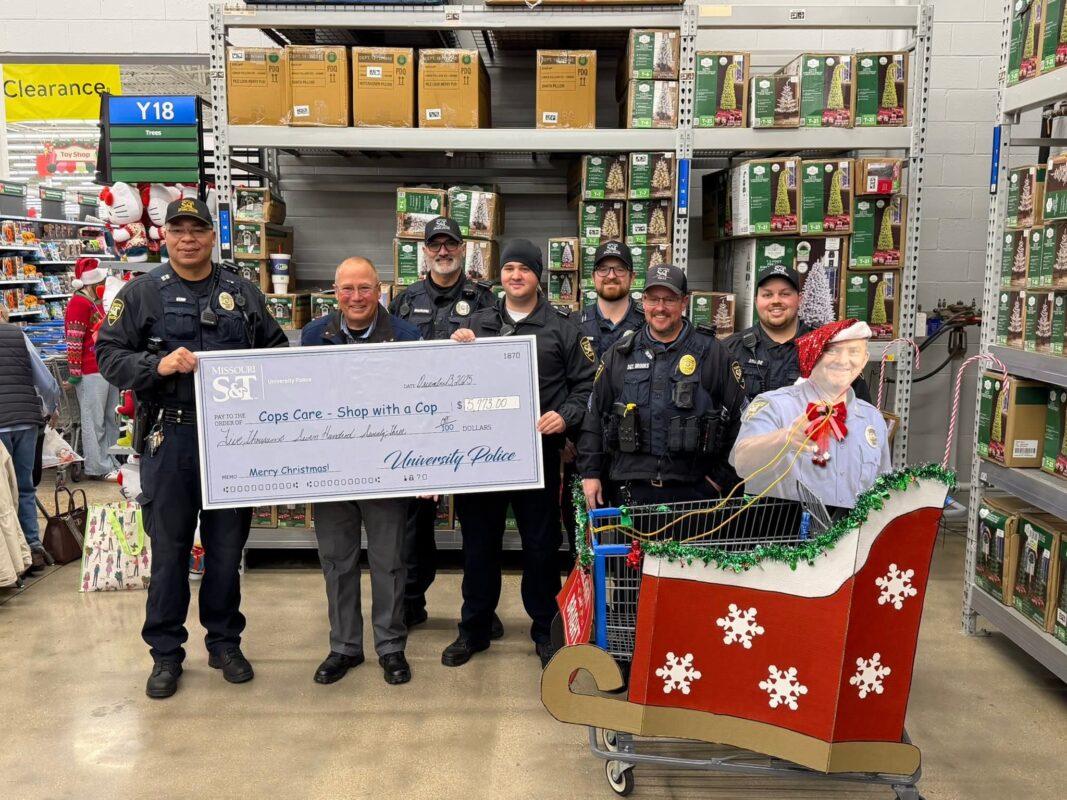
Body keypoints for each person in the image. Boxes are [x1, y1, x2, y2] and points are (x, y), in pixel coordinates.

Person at [96, 197, 288, 699]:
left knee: (226, 551)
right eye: (178, 229)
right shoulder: (142, 293)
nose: (188, 239)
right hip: (171, 437)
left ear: (211, 236)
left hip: (232, 440)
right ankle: (165, 654)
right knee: (170, 551)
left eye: (197, 229)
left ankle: (225, 643)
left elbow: (276, 352)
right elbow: (108, 354)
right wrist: (154, 367)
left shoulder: (242, 293)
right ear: (165, 236)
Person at [444, 239, 595, 669]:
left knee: (541, 547)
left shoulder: (563, 328)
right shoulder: (477, 324)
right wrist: (454, 349)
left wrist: (564, 417)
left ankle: (545, 631)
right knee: (478, 546)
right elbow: (449, 382)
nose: (516, 276)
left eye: (524, 269)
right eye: (509, 268)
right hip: (482, 457)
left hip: (536, 457)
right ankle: (474, 628)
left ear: (537, 276)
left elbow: (587, 386)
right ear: (501, 276)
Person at [302, 257, 420, 686]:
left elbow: (419, 404)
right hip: (332, 469)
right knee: (337, 560)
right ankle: (345, 647)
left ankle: (391, 647)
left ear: (380, 291)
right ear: (335, 293)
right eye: (347, 289)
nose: (356, 297)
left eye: (365, 288)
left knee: (389, 561)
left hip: (385, 468)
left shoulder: (406, 336)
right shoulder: (314, 336)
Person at [388, 217, 496, 630]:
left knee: (478, 524)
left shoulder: (485, 300)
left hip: (470, 427)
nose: (443, 251)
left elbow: (499, 360)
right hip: (418, 430)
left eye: (450, 244)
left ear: (463, 249)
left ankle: (479, 608)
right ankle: (412, 601)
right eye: (435, 244)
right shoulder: (404, 301)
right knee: (414, 525)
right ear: (425, 251)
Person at [579, 264, 747, 510]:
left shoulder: (713, 354)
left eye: (669, 299)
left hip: (696, 494)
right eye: (653, 299)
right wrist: (591, 473)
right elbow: (594, 416)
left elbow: (742, 421)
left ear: (684, 302)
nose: (660, 307)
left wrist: (718, 480)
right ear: (643, 301)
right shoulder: (620, 354)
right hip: (631, 492)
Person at [729, 319, 892, 514]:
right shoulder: (774, 405)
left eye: (854, 352)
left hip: (855, 533)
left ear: (865, 359)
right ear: (814, 354)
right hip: (791, 531)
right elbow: (741, 463)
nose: (843, 360)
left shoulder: (873, 418)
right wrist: (785, 438)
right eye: (832, 351)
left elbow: (883, 489)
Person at [561, 240, 647, 551]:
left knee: (632, 547)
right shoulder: (571, 326)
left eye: (619, 269)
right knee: (583, 546)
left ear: (632, 276)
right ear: (593, 276)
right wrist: (563, 438)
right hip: (581, 453)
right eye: (603, 269)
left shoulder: (649, 323)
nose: (611, 275)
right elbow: (559, 384)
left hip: (635, 454)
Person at [726, 263, 872, 403]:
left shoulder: (826, 347)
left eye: (785, 294)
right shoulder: (730, 349)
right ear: (756, 301)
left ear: (799, 299)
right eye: (767, 295)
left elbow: (860, 409)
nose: (776, 301)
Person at [0, 304, 60, 571]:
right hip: (25, 421)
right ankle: (34, 550)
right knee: (25, 487)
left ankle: (11, 558)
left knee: (2, 494)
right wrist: (51, 408)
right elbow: (45, 381)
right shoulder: (18, 335)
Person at [63, 257, 120, 480]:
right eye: (101, 282)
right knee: (94, 420)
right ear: (91, 283)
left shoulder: (93, 302)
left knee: (110, 418)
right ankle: (98, 467)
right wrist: (75, 374)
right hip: (90, 371)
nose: (103, 285)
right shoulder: (78, 303)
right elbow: (74, 340)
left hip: (104, 367)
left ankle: (111, 460)